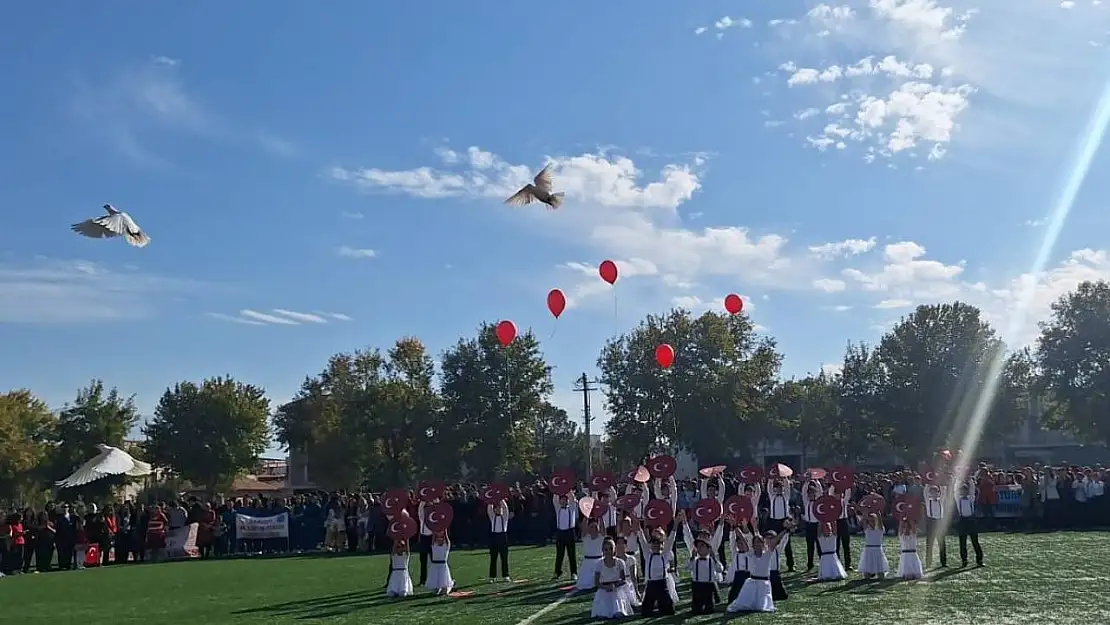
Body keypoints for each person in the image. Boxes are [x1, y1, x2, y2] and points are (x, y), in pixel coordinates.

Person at [727, 521, 793, 613]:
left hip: (764, 584)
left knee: (761, 607)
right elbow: (742, 539)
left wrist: (786, 530)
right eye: (755, 542)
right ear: (753, 545)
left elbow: (775, 540)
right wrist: (736, 527)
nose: (758, 544)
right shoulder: (750, 554)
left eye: (760, 542)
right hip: (752, 583)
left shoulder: (768, 554)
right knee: (744, 605)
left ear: (763, 544)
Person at [636, 523, 678, 616]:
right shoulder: (647, 554)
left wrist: (676, 524)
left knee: (669, 611)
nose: (655, 545)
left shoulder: (665, 554)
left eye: (658, 543)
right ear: (650, 544)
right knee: (646, 612)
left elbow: (671, 539)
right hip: (651, 584)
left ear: (661, 544)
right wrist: (638, 526)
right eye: (653, 543)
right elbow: (642, 540)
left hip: (662, 584)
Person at [590, 537, 634, 619]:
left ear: (614, 549)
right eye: (606, 549)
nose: (608, 551)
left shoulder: (620, 562)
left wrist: (614, 585)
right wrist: (605, 587)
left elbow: (623, 579)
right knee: (603, 615)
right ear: (602, 550)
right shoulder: (599, 564)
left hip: (616, 591)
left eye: (611, 548)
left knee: (618, 614)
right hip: (603, 591)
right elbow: (596, 582)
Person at [687, 535, 724, 615]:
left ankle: (710, 604)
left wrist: (714, 558)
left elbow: (720, 569)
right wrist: (692, 557)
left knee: (709, 609)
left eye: (702, 546)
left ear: (708, 549)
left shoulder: (711, 561)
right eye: (698, 547)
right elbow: (688, 567)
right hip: (697, 585)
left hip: (708, 586)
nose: (699, 548)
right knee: (696, 610)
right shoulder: (695, 561)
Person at [764, 477, 794, 572]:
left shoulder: (786, 496)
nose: (779, 489)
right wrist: (771, 478)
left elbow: (788, 487)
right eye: (777, 487)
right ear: (775, 489)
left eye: (781, 487)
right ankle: (770, 563)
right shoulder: (772, 496)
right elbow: (769, 487)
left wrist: (784, 478)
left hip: (784, 521)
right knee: (772, 542)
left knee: (787, 544)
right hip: (773, 522)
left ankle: (790, 565)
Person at [954, 481, 984, 567]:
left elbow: (972, 489)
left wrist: (970, 479)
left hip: (971, 520)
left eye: (965, 490)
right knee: (962, 542)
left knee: (975, 541)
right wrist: (958, 479)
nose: (964, 492)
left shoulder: (971, 498)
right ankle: (964, 560)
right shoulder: (958, 499)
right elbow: (955, 490)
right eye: (962, 491)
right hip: (962, 520)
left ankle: (979, 560)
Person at [552, 491, 578, 580]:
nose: (563, 501)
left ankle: (574, 573)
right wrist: (558, 488)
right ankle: (557, 572)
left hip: (570, 532)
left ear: (567, 501)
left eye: (564, 499)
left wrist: (567, 488)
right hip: (560, 533)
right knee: (559, 554)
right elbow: (555, 498)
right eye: (561, 500)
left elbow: (572, 498)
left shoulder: (571, 508)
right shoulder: (558, 508)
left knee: (571, 554)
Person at [724, 518, 751, 602]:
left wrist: (736, 527)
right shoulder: (736, 553)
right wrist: (732, 528)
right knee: (732, 598)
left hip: (747, 576)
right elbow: (732, 542)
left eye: (741, 543)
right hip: (738, 577)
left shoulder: (749, 553)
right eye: (738, 543)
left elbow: (744, 541)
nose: (740, 545)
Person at [575, 517, 605, 592]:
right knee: (583, 584)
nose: (594, 529)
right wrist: (586, 515)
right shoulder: (585, 537)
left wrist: (600, 517)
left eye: (595, 527)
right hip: (587, 564)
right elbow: (584, 527)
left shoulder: (601, 537)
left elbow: (603, 528)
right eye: (591, 527)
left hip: (599, 562)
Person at [923, 482, 948, 568]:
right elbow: (925, 492)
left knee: (942, 542)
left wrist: (941, 481)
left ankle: (943, 562)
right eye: (932, 492)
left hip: (939, 522)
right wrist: (928, 483)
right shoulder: (928, 501)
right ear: (930, 493)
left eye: (936, 492)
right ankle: (928, 562)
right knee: (930, 543)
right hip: (931, 522)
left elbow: (944, 491)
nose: (934, 494)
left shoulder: (941, 500)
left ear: (938, 493)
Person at [857, 513, 888, 579]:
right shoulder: (867, 528)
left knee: (881, 574)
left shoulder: (880, 529)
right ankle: (870, 574)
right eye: (870, 521)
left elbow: (880, 520)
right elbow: (863, 520)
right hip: (868, 550)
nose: (871, 522)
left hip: (877, 550)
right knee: (866, 575)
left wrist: (877, 511)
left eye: (873, 520)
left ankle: (877, 573)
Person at [487, 498, 511, 582]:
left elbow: (506, 508)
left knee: (504, 557)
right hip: (494, 537)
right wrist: (492, 498)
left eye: (500, 508)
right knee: (493, 558)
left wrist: (501, 498)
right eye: (497, 508)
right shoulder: (493, 517)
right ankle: (492, 576)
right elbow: (489, 509)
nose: (499, 510)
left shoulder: (504, 518)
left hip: (503, 537)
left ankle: (506, 575)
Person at [425, 529, 454, 596]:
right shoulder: (434, 545)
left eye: (441, 538)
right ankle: (439, 587)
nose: (439, 539)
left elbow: (447, 539)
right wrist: (435, 528)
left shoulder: (446, 546)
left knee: (444, 591)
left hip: (443, 566)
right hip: (435, 566)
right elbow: (433, 538)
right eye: (438, 538)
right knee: (435, 591)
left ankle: (450, 586)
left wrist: (444, 530)